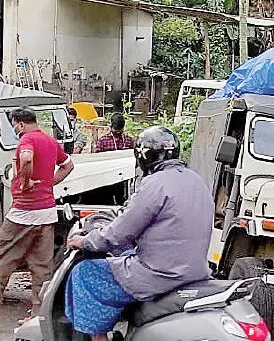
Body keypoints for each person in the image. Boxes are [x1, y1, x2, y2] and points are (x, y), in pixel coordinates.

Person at [65, 126, 213, 340]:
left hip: (159, 274)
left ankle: (98, 338)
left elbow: (118, 233)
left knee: (84, 273)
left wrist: (86, 241)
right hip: (195, 271)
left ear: (143, 156)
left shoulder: (154, 184)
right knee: (124, 257)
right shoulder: (196, 181)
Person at [0, 106, 75, 329]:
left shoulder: (27, 140)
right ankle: (39, 317)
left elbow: (26, 158)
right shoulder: (51, 141)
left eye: (14, 124)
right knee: (41, 267)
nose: (14, 128)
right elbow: (68, 165)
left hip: (24, 212)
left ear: (21, 123)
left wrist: (25, 182)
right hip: (46, 213)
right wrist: (49, 183)